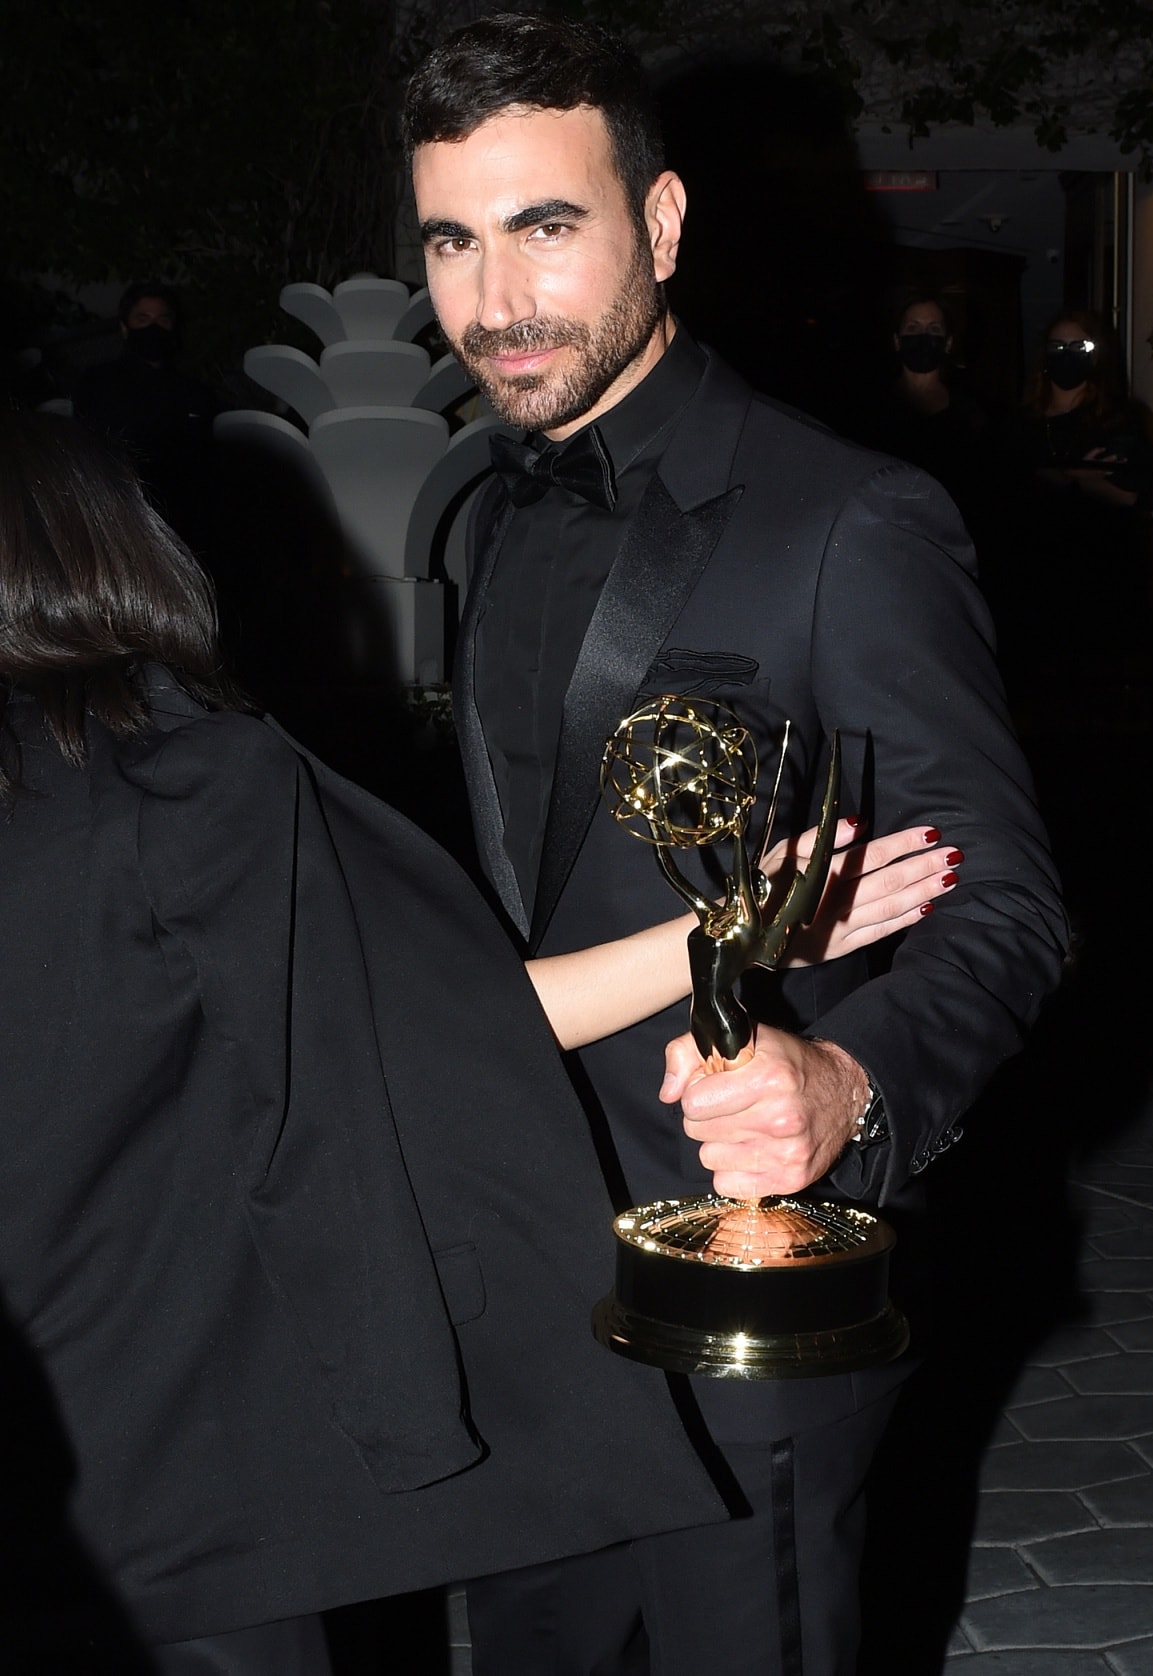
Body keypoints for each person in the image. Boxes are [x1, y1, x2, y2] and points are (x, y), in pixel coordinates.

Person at [0, 414, 945, 1673]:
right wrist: (740, 925)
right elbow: (408, 1035)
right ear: (115, 549)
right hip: (165, 1457)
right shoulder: (183, 779)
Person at [403, 15, 1067, 1675]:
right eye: (454, 241)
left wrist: (852, 1089)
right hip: (508, 1282)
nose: (497, 299)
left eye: (549, 225)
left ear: (665, 223)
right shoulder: (480, 516)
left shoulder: (850, 520)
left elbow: (1013, 903)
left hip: (745, 1291)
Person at [992, 308, 1153, 732]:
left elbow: (1130, 493)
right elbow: (1004, 490)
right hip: (1030, 590)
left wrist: (1063, 480)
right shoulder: (1021, 424)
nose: (1066, 355)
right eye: (1057, 346)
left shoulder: (1120, 420)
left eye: (1079, 347)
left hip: (1097, 590)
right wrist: (1073, 477)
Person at [73, 280, 221, 554]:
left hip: (186, 528)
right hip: (122, 521)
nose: (154, 327)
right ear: (124, 327)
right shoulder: (98, 383)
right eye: (143, 319)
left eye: (162, 319)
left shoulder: (196, 393)